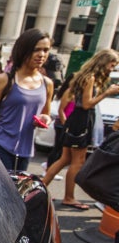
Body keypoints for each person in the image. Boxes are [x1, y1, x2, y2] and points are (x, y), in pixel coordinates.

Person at [42, 49, 119, 210]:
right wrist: (107, 93)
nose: (112, 68)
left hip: (76, 121)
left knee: (65, 159)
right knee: (77, 161)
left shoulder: (84, 76)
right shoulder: (90, 78)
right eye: (112, 65)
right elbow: (87, 104)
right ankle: (69, 197)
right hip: (81, 121)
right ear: (103, 62)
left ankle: (41, 189)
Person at [0, 28, 54, 172]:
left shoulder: (47, 83)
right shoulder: (4, 80)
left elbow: (46, 113)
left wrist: (45, 119)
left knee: (17, 193)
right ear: (24, 50)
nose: (41, 55)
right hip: (0, 146)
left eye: (46, 50)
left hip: (26, 151)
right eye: (36, 49)